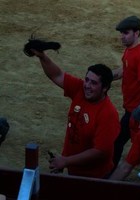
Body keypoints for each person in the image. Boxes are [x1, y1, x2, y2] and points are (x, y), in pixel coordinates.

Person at [29, 50, 120, 179]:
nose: (87, 85)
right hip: (74, 168)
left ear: (105, 88)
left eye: (93, 83)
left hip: (94, 176)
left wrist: (66, 161)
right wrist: (42, 56)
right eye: (86, 80)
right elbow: (57, 75)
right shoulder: (80, 89)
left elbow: (100, 151)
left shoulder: (108, 114)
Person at [111, 15, 140, 177]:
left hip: (137, 112)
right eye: (121, 33)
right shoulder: (129, 51)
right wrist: (104, 76)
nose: (122, 36)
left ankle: (109, 173)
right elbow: (124, 71)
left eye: (126, 33)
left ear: (137, 33)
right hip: (131, 110)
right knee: (134, 142)